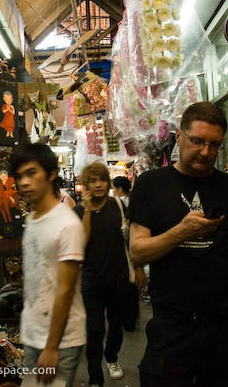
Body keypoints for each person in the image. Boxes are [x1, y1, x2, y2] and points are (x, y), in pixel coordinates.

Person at [128, 102, 228, 387]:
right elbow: (138, 250)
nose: (205, 152)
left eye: (214, 145)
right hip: (173, 326)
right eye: (197, 141)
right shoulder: (151, 184)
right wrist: (181, 232)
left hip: (225, 326)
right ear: (179, 137)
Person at [10, 143, 86, 387]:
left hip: (60, 340)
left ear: (51, 173)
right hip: (34, 333)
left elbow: (66, 290)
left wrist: (52, 347)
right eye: (19, 176)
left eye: (32, 173)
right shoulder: (33, 218)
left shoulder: (67, 224)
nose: (24, 182)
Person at [73, 162, 129, 386]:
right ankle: (95, 375)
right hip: (92, 278)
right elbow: (81, 243)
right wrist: (87, 210)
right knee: (94, 329)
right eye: (93, 181)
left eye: (102, 180)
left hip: (118, 275)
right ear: (85, 185)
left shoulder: (117, 205)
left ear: (108, 182)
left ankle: (112, 357)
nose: (98, 185)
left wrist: (135, 266)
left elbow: (128, 237)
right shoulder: (78, 211)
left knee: (116, 324)